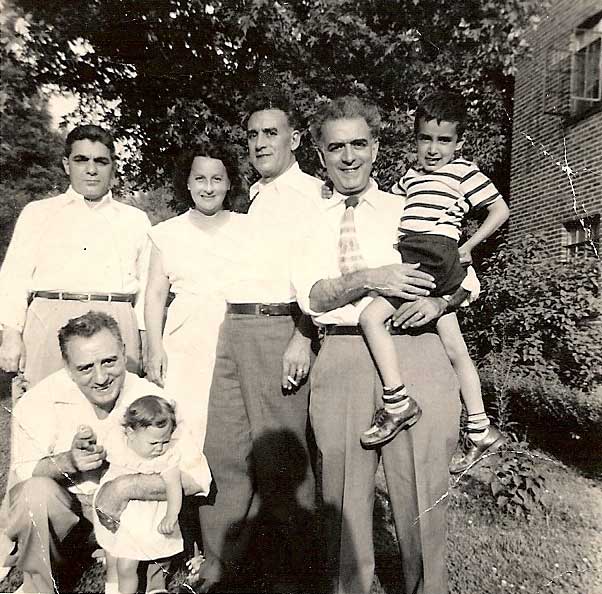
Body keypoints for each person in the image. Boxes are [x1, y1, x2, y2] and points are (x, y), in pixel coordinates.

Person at [292, 95, 469, 594]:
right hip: (343, 353)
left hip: (414, 348)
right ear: (320, 157)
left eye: (358, 144)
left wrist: (439, 305)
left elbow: (464, 280)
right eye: (336, 147)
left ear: (375, 148)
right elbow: (313, 295)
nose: (348, 157)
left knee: (421, 494)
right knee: (343, 499)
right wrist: (376, 277)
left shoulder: (408, 206)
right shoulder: (309, 221)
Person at [195, 87, 324, 592]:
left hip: (279, 327)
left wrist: (303, 335)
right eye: (252, 135)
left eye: (271, 133)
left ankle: (295, 576)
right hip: (235, 328)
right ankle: (220, 568)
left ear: (294, 138)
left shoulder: (312, 194)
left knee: (279, 461)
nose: (260, 143)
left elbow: (318, 274)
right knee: (223, 449)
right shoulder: (255, 195)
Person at [354, 91, 510, 473]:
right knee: (456, 348)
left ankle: (397, 401)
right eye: (426, 138)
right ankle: (480, 430)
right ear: (416, 139)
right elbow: (384, 208)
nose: (434, 149)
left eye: (444, 140)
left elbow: (500, 209)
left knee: (371, 319)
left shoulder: (463, 172)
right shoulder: (409, 178)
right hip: (419, 258)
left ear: (459, 143)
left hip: (432, 258)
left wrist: (469, 246)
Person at [2, 311, 211, 594]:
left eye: (109, 361)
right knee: (34, 492)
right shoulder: (42, 398)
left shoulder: (153, 399)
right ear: (66, 366)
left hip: (131, 521)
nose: (101, 378)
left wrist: (123, 487)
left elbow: (197, 478)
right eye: (85, 368)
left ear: (124, 352)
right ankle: (38, 586)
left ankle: (148, 580)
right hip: (71, 518)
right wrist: (69, 461)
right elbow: (23, 474)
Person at [0, 124, 150, 388]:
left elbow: (148, 288)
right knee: (45, 413)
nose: (91, 170)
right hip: (50, 321)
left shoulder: (135, 220)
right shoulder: (39, 213)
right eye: (81, 160)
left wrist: (146, 341)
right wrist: (11, 334)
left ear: (113, 166)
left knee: (118, 420)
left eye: (101, 161)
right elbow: (14, 277)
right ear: (67, 164)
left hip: (116, 323)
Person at [145, 141, 246, 450]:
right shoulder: (166, 233)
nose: (208, 188)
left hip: (234, 339)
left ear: (229, 183)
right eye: (200, 179)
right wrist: (154, 348)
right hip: (184, 344)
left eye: (217, 179)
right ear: (187, 182)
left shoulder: (248, 229)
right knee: (185, 427)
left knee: (231, 430)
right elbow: (154, 294)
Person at [95, 396, 185, 594]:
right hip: (121, 516)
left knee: (126, 565)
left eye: (165, 441)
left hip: (145, 521)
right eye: (153, 442)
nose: (160, 448)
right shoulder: (120, 448)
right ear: (130, 433)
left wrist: (171, 515)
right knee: (113, 556)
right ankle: (112, 587)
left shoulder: (166, 458)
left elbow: (174, 487)